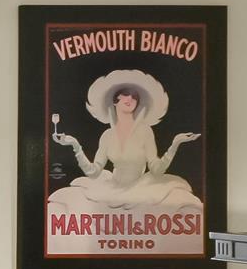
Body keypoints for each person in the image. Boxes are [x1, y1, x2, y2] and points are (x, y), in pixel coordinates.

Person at [49, 69, 202, 211]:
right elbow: (93, 172)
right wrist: (75, 145)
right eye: (125, 95)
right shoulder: (107, 135)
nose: (130, 98)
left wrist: (175, 144)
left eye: (134, 97)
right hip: (112, 188)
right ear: (115, 101)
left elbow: (156, 170)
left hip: (141, 187)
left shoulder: (145, 131)